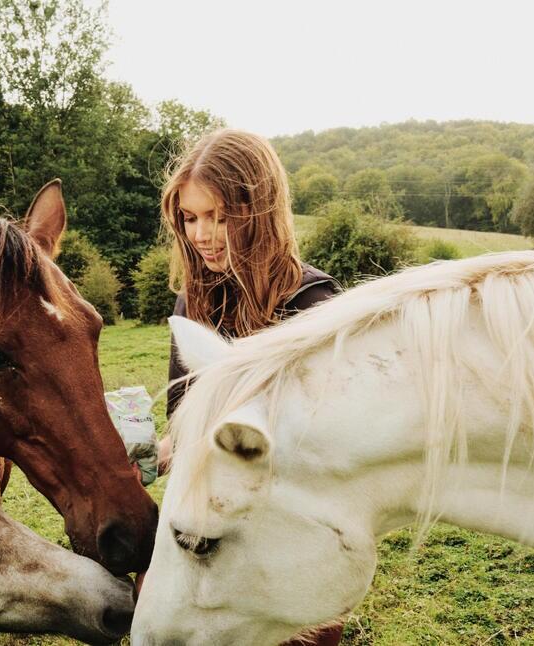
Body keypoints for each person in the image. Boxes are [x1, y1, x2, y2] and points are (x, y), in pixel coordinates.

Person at [158, 129, 344, 646]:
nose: (202, 235)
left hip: (291, 518)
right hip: (212, 517)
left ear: (259, 212)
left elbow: (328, 439)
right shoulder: (190, 304)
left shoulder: (313, 302)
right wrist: (158, 451)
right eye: (190, 218)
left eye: (219, 217)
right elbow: (184, 414)